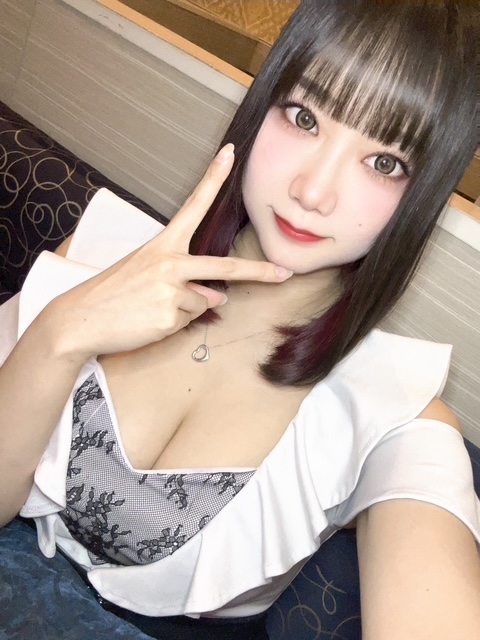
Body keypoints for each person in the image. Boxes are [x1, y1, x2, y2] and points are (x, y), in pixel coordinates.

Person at [1, 1, 480, 638]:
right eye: (305, 117)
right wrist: (60, 333)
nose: (313, 192)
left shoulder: (394, 415)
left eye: (385, 162)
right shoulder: (104, 250)